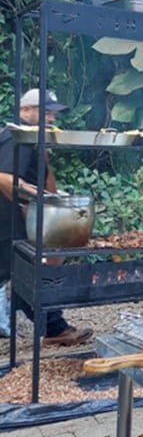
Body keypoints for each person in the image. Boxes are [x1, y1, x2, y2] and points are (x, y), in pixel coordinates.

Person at [0, 89, 92, 346]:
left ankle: (53, 328)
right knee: (31, 274)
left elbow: (43, 179)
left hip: (16, 222)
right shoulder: (17, 137)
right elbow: (4, 177)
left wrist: (52, 198)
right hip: (9, 223)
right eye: (45, 112)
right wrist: (32, 201)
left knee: (24, 275)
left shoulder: (32, 139)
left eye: (52, 113)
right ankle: (54, 329)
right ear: (25, 111)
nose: (50, 118)